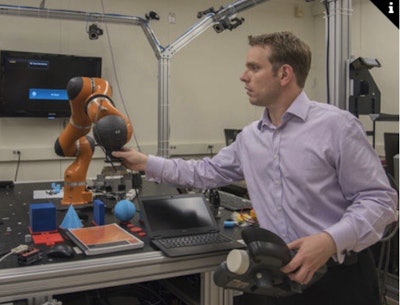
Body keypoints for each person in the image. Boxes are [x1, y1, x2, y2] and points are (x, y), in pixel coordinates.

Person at [112, 31, 397, 305]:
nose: (243, 76)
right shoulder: (250, 137)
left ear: (284, 74)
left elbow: (381, 201)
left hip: (340, 279)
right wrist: (144, 162)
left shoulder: (337, 126)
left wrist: (329, 241)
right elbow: (205, 172)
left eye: (254, 67)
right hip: (280, 275)